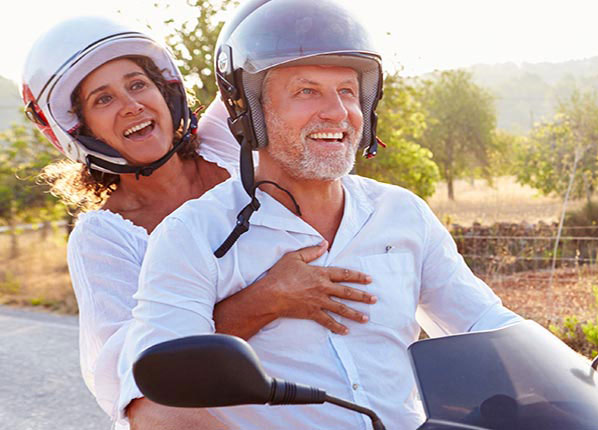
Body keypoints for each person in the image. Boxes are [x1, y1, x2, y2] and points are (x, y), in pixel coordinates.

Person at [117, 0, 598, 429]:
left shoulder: (401, 214)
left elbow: (484, 320)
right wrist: (257, 306)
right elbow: (160, 395)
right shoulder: (193, 237)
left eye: (348, 91)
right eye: (306, 91)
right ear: (251, 112)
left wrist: (592, 380)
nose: (337, 112)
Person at [22, 15, 377, 428]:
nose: (131, 105)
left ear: (167, 91)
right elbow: (139, 376)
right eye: (103, 99)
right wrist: (266, 299)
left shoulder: (227, 142)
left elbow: (263, 26)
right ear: (80, 130)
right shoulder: (103, 236)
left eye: (138, 84)